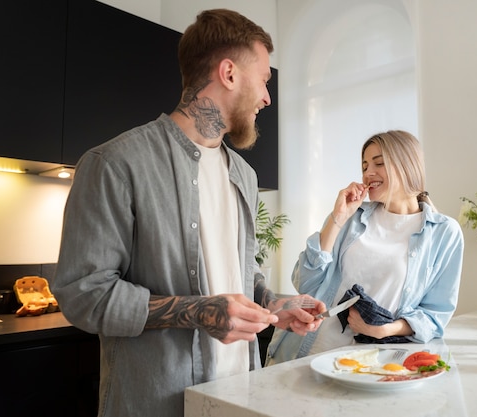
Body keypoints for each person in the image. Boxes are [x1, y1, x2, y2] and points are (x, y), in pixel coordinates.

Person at [50, 9, 325, 417]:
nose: (268, 97)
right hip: (156, 403)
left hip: (237, 398)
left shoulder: (244, 175)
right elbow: (83, 294)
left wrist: (273, 304)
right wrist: (198, 311)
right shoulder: (115, 164)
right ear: (228, 73)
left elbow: (238, 275)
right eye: (265, 79)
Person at [265, 130, 464, 365]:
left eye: (379, 163)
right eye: (365, 165)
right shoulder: (352, 218)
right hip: (309, 353)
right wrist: (337, 219)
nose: (369, 173)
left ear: (407, 166)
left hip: (372, 364)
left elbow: (436, 314)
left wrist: (387, 329)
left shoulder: (444, 233)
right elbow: (305, 284)